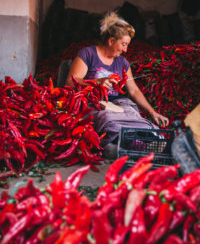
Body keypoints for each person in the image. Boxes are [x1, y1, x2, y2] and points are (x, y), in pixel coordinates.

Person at [66, 12, 169, 155]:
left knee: (132, 114)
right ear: (111, 41)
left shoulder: (122, 62)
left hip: (117, 103)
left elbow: (134, 91)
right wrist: (97, 82)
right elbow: (71, 81)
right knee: (107, 117)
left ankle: (143, 141)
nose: (126, 50)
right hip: (93, 102)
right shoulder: (88, 54)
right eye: (123, 44)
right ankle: (127, 143)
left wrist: (153, 112)